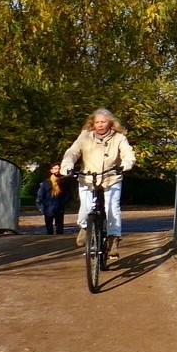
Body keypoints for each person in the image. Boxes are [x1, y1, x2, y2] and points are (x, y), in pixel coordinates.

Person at [60, 107, 135, 258]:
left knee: (112, 207)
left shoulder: (119, 138)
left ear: (110, 123)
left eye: (103, 122)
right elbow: (72, 152)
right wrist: (67, 165)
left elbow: (128, 154)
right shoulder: (84, 136)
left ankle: (113, 238)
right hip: (88, 177)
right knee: (86, 207)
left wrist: (126, 164)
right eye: (97, 122)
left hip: (111, 176)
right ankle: (84, 227)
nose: (100, 125)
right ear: (92, 123)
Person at [35, 164, 72, 235]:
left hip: (59, 208)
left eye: (58, 169)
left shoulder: (63, 182)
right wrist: (46, 204)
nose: (57, 170)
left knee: (60, 229)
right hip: (48, 208)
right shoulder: (46, 183)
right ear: (51, 170)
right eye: (55, 169)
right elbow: (41, 196)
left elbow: (69, 195)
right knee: (49, 230)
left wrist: (62, 203)